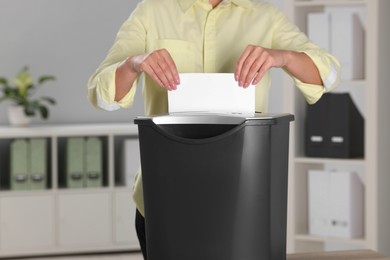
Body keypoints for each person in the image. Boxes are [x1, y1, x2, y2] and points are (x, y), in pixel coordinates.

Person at [87, 0, 340, 258]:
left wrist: (283, 56)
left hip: (241, 198)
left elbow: (327, 73)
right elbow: (102, 95)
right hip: (164, 193)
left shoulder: (264, 15)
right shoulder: (152, 10)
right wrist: (134, 63)